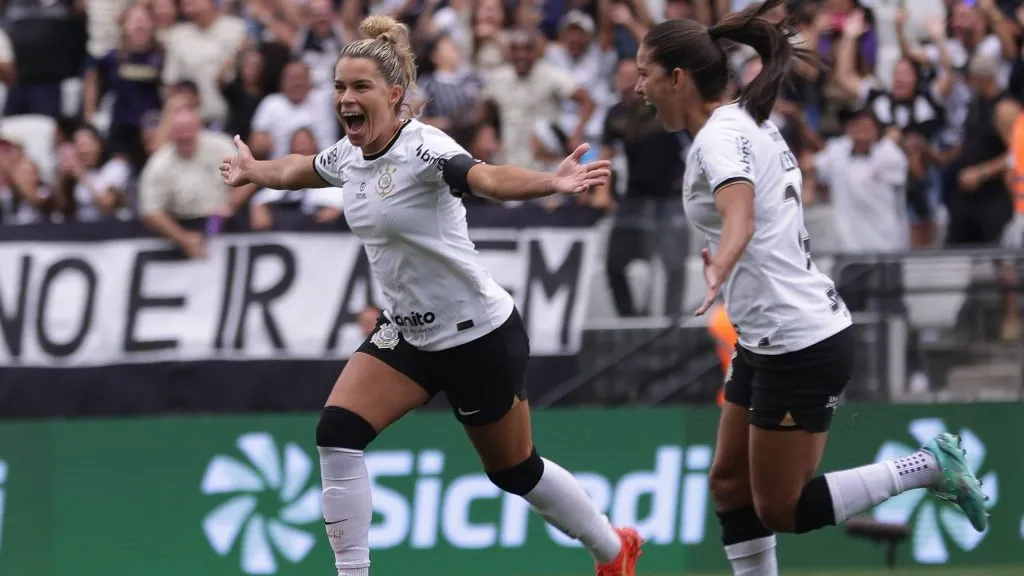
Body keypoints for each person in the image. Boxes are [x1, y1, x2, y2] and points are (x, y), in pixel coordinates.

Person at [220, 14, 643, 576]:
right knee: (337, 433)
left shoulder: (425, 149)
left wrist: (552, 180)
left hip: (477, 335)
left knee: (515, 471)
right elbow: (302, 168)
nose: (346, 98)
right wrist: (256, 170)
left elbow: (487, 177)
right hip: (409, 333)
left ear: (395, 95)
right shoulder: (350, 156)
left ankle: (613, 552)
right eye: (340, 87)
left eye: (360, 87)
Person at [633, 1, 989, 575]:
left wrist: (719, 264)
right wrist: (728, 258)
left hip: (795, 340)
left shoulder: (720, 140)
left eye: (644, 72)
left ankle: (926, 467)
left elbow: (741, 216)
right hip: (769, 335)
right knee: (729, 483)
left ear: (677, 77)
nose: (637, 87)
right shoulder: (746, 120)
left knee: (783, 508)